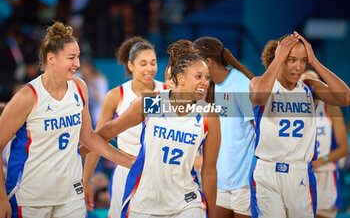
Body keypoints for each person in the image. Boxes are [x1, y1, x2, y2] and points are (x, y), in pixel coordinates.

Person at [0, 21, 134, 218]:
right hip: (29, 196)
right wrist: (1, 196)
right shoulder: (27, 96)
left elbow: (88, 138)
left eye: (78, 57)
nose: (78, 64)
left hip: (70, 194)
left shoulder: (80, 88)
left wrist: (132, 162)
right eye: (71, 58)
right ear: (51, 58)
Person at [94, 39, 221, 218]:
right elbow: (101, 135)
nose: (205, 82)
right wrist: (123, 160)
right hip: (143, 194)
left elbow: (209, 170)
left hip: (186, 201)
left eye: (207, 77)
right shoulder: (153, 101)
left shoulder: (209, 114)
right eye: (199, 77)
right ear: (181, 79)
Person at [249, 31, 350, 218]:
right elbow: (259, 97)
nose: (298, 67)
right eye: (292, 60)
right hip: (268, 172)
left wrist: (316, 62)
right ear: (279, 59)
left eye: (303, 61)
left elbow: (346, 97)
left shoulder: (311, 88)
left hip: (300, 173)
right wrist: (277, 59)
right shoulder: (260, 84)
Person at [83, 36, 167, 217]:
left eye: (153, 62)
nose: (150, 68)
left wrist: (242, 102)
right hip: (126, 172)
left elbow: (215, 107)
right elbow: (98, 139)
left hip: (160, 173)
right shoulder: (116, 95)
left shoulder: (167, 92)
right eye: (143, 63)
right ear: (130, 65)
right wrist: (85, 180)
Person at [193, 36, 255, 218]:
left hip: (243, 181)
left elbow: (258, 130)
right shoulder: (210, 88)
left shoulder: (241, 84)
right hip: (220, 180)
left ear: (209, 62)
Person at [301, 70, 349, 218]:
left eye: (313, 82)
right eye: (305, 82)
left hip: (325, 174)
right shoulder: (292, 108)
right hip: (299, 174)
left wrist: (321, 160)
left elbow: (344, 148)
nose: (310, 86)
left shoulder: (331, 108)